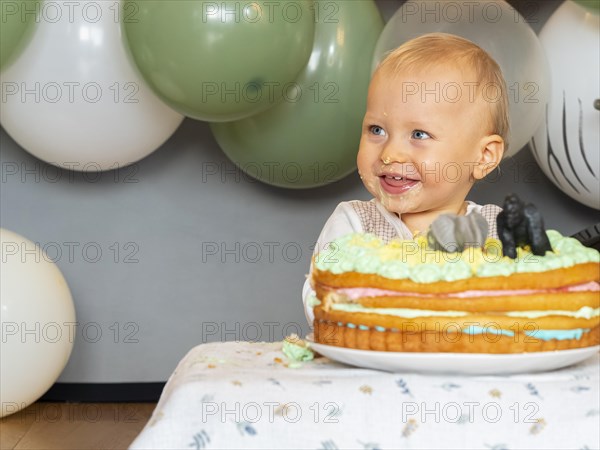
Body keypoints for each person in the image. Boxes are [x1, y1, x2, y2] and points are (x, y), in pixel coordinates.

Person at [303, 32, 510, 325]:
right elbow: (320, 303)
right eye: (376, 130)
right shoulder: (354, 226)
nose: (390, 153)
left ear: (484, 156)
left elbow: (522, 307)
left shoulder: (497, 232)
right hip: (373, 364)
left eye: (419, 135)